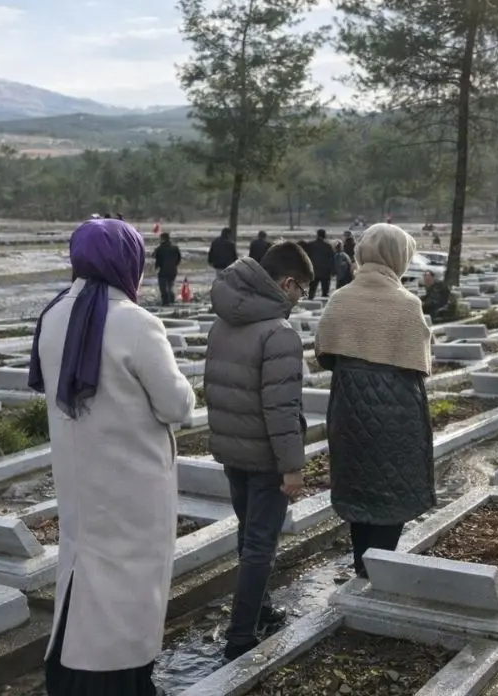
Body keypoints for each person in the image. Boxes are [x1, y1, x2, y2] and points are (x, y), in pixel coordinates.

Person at [30, 218, 195, 696]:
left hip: (80, 478)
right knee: (127, 594)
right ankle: (123, 683)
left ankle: (71, 678)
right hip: (131, 486)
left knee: (84, 577)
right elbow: (176, 405)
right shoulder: (135, 322)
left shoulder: (54, 315)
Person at [205, 241, 312, 661]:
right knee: (261, 548)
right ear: (286, 283)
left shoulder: (224, 322)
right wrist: (292, 467)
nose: (300, 298)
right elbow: (281, 408)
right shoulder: (279, 333)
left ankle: (261, 609)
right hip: (266, 457)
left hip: (233, 450)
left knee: (248, 534)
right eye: (301, 289)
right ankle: (241, 637)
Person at [314, 224, 436, 578]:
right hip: (398, 414)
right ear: (398, 256)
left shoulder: (341, 298)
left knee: (358, 487)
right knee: (392, 486)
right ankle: (378, 570)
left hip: (349, 408)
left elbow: (324, 353)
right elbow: (421, 365)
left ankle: (361, 564)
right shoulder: (407, 304)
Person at [303, 229, 335, 299]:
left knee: (312, 291)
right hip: (325, 272)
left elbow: (305, 257)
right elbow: (332, 259)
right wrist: (333, 271)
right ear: (324, 236)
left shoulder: (310, 245)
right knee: (325, 292)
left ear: (317, 235)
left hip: (314, 270)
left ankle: (310, 302)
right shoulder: (328, 246)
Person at [152, 232, 181, 306]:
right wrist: (174, 265)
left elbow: (155, 257)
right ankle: (172, 301)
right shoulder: (175, 248)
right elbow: (179, 259)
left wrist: (156, 267)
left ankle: (166, 303)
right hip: (173, 270)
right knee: (170, 287)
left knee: (163, 288)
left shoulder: (160, 248)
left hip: (163, 271)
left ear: (162, 239)